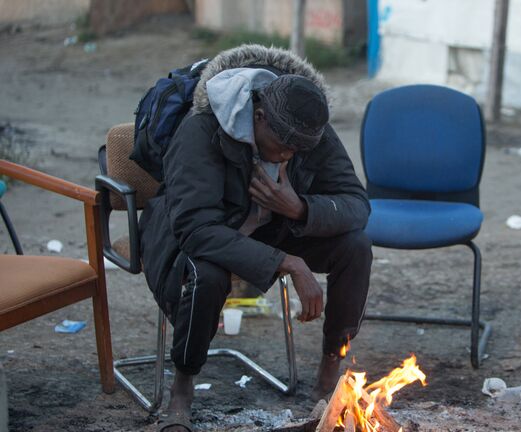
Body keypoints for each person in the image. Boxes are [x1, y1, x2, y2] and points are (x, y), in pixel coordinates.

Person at [138, 44, 372, 431]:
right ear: (258, 116)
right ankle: (182, 387)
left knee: (356, 247)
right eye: (283, 147)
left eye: (299, 150)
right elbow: (197, 229)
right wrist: (288, 263)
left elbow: (356, 204)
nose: (288, 157)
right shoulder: (204, 128)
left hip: (272, 224)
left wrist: (298, 208)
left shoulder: (304, 127)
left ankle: (331, 365)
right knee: (208, 274)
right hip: (192, 233)